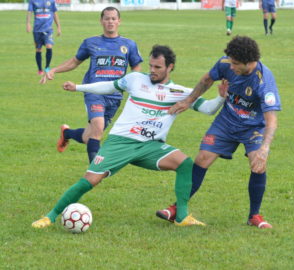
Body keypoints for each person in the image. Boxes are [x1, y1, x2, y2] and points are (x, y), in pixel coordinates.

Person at [32, 45, 226, 229]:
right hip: (120, 142)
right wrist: (78, 87)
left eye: (157, 67)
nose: (152, 70)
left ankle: (182, 217)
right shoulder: (135, 79)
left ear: (170, 67)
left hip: (151, 146)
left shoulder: (179, 93)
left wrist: (221, 97)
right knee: (90, 180)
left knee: (185, 165)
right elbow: (109, 86)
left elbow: (208, 109)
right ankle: (50, 216)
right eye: (150, 66)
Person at [156, 36, 281, 229]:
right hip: (226, 122)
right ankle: (176, 208)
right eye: (231, 62)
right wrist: (188, 101)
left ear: (249, 63)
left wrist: (265, 148)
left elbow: (271, 119)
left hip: (252, 128)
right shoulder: (225, 63)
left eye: (236, 64)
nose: (231, 67)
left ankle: (254, 216)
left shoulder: (264, 81)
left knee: (258, 164)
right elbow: (206, 79)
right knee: (202, 159)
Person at [40, 6, 143, 164]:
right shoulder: (91, 42)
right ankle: (94, 172)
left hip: (115, 95)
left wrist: (133, 85)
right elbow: (74, 62)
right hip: (93, 92)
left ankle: (66, 133)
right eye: (107, 18)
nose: (110, 21)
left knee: (91, 135)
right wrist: (54, 70)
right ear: (101, 21)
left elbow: (136, 66)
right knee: (98, 127)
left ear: (119, 21)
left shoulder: (129, 44)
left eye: (113, 18)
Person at [26, 0, 62, 75]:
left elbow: (55, 13)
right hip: (37, 29)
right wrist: (28, 24)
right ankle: (39, 69)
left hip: (48, 29)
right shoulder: (33, 1)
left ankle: (47, 67)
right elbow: (29, 12)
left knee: (49, 46)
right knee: (38, 49)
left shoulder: (51, 1)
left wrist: (58, 27)